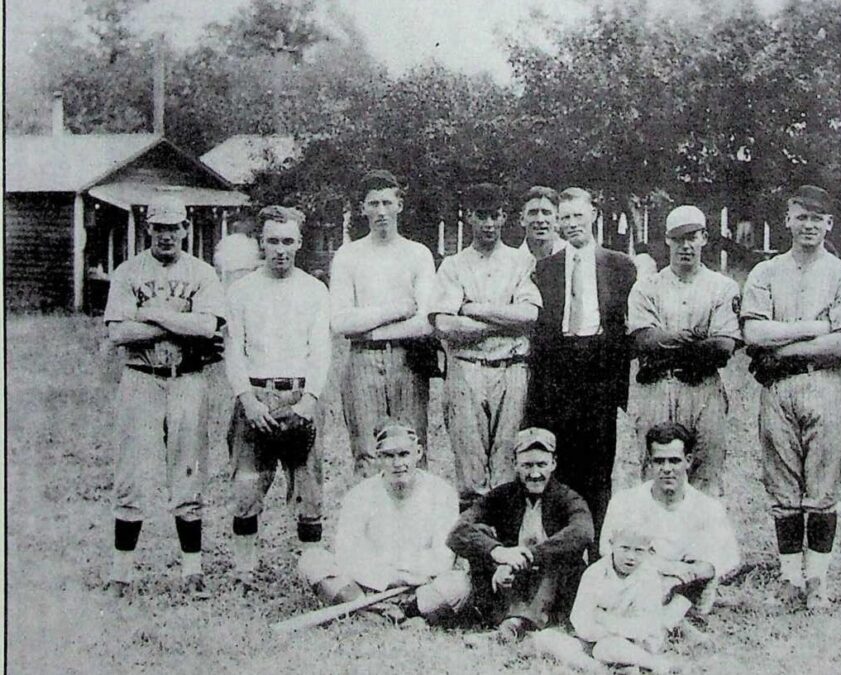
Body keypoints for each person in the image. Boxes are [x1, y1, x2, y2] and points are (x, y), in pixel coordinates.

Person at [740, 185, 841, 611]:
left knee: (823, 484)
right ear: (788, 220)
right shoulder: (766, 273)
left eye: (818, 218)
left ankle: (818, 580)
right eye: (801, 216)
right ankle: (790, 578)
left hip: (824, 382)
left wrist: (783, 347)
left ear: (828, 223)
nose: (809, 225)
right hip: (777, 389)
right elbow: (753, 333)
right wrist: (814, 327)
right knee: (782, 484)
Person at [102, 195, 227, 599]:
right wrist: (179, 323)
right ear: (149, 228)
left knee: (188, 472)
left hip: (187, 378)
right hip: (140, 377)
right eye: (160, 227)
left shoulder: (203, 272)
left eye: (174, 227)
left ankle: (192, 571)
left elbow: (207, 327)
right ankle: (122, 573)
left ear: (186, 229)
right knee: (132, 473)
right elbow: (119, 333)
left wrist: (150, 313)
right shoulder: (128, 271)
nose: (167, 235)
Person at [223, 206, 331, 589]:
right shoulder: (241, 291)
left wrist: (309, 400)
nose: (280, 249)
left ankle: (310, 570)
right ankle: (244, 570)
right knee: (248, 485)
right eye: (273, 241)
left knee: (309, 489)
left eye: (288, 241)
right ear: (260, 243)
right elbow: (233, 350)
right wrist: (248, 401)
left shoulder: (314, 291)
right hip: (255, 396)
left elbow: (320, 350)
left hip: (299, 396)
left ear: (299, 243)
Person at [526, 187, 637, 541]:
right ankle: (565, 547)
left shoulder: (620, 266)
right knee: (561, 468)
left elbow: (625, 330)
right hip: (557, 377)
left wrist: (615, 385)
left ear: (594, 215)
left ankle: (597, 547)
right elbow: (541, 335)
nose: (571, 224)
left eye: (577, 215)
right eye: (564, 218)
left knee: (598, 471)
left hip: (598, 375)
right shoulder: (544, 270)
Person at [431, 183, 542, 506]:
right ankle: (477, 549)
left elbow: (529, 315)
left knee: (508, 459)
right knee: (470, 465)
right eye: (482, 216)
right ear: (468, 218)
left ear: (505, 216)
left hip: (511, 368)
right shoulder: (453, 265)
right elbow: (445, 323)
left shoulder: (521, 262)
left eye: (495, 215)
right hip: (467, 368)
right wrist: (500, 322)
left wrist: (474, 308)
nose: (489, 224)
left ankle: (506, 543)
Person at [620, 205, 741, 497]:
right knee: (655, 474)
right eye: (678, 238)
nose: (686, 245)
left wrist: (669, 341)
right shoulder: (647, 286)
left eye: (693, 237)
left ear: (704, 238)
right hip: (657, 386)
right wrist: (695, 338)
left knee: (705, 476)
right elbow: (645, 340)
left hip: (703, 387)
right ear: (667, 240)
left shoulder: (722, 287)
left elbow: (723, 346)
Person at [298, 421, 470, 624]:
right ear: (379, 458)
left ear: (418, 453)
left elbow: (443, 558)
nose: (398, 464)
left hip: (421, 587)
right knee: (312, 560)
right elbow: (347, 554)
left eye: (404, 454)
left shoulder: (442, 493)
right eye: (389, 456)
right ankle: (383, 613)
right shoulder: (359, 495)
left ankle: (389, 613)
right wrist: (384, 579)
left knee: (460, 582)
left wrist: (401, 574)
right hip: (369, 586)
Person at [329, 169, 439, 477]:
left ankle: (416, 524)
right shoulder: (348, 256)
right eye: (373, 203)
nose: (381, 211)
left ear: (399, 206)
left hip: (408, 358)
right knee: (368, 452)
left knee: (412, 447)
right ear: (362, 208)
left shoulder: (417, 254)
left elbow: (425, 323)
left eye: (387, 203)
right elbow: (340, 321)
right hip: (361, 362)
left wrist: (369, 330)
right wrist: (397, 308)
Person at [448, 428, 594, 643]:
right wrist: (499, 554)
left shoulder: (568, 498)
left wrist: (527, 557)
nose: (535, 473)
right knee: (481, 534)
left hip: (552, 588)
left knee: (560, 554)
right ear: (515, 464)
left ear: (553, 463)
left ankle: (514, 627)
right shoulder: (502, 495)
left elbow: (583, 532)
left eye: (541, 465)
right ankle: (501, 619)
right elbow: (458, 531)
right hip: (509, 584)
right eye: (527, 465)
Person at [601, 422, 741, 616]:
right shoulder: (626, 502)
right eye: (659, 461)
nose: (667, 469)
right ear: (649, 462)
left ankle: (670, 618)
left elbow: (718, 562)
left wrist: (675, 580)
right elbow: (608, 550)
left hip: (688, 589)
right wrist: (668, 569)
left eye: (674, 461)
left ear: (688, 461)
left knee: (702, 573)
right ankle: (671, 624)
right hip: (640, 582)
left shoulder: (707, 507)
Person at [532, 527, 690, 674]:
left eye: (639, 550)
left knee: (607, 648)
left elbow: (643, 627)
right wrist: (604, 630)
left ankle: (655, 664)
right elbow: (581, 621)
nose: (631, 556)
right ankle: (597, 668)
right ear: (612, 545)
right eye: (625, 548)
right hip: (592, 639)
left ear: (649, 551)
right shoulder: (595, 573)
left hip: (631, 643)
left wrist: (604, 619)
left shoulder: (649, 577)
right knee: (545, 638)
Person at [518, 185, 567, 260]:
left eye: (546, 213)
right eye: (533, 213)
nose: (540, 220)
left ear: (557, 219)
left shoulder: (570, 255)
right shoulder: (511, 260)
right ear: (522, 219)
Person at [214, 215, 262, 286]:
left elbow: (218, 260)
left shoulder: (225, 241)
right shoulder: (251, 242)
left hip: (234, 273)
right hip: (238, 273)